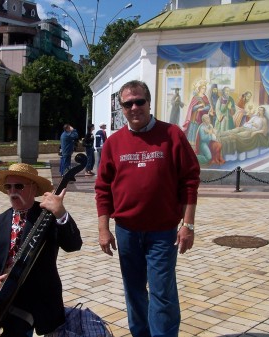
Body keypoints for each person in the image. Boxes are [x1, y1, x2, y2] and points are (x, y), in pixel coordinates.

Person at [95, 80, 200, 337]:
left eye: (139, 101)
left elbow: (190, 180)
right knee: (134, 292)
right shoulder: (114, 143)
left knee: (162, 292)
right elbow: (102, 188)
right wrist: (103, 230)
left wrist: (188, 225)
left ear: (149, 102)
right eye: (127, 103)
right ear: (122, 108)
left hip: (162, 233)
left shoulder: (172, 135)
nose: (134, 107)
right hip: (127, 232)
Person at [0, 163, 82, 337]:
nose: (13, 191)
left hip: (34, 294)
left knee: (16, 330)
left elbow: (73, 244)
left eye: (19, 186)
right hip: (1, 291)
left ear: (33, 188)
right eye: (8, 187)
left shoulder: (47, 217)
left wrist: (61, 213)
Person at [183, 79, 210, 147]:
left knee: (200, 132)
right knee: (192, 132)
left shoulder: (205, 97)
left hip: (202, 118)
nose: (204, 90)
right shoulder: (195, 97)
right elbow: (192, 108)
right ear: (199, 89)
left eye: (205, 88)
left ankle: (198, 145)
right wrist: (199, 105)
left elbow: (208, 107)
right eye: (203, 88)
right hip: (194, 118)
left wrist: (202, 109)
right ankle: (191, 146)